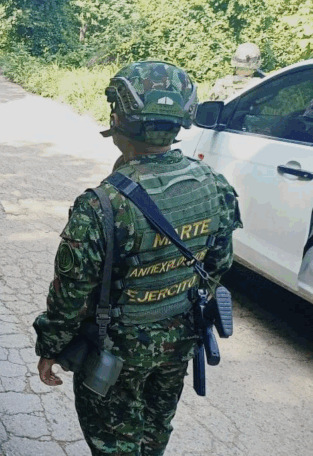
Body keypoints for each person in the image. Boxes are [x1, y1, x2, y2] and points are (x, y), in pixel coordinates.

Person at [33, 61, 242, 456]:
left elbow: (71, 298)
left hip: (116, 350)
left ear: (118, 119)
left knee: (115, 443)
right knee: (154, 432)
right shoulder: (214, 185)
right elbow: (217, 265)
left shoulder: (101, 206)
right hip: (179, 338)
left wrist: (51, 346)